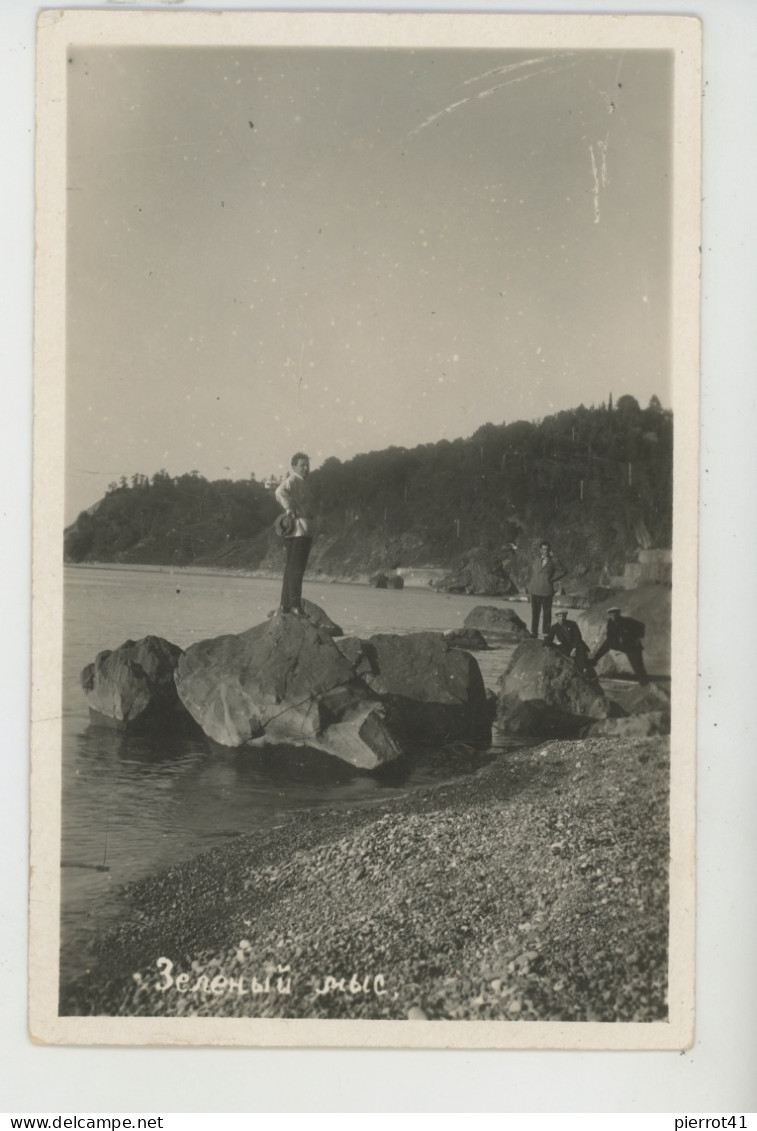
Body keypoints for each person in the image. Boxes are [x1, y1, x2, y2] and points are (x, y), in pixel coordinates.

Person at [275, 452, 314, 616]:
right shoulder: (294, 480)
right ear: (294, 467)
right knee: (296, 569)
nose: (306, 468)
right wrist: (290, 508)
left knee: (291, 568)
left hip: (301, 530)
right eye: (302, 465)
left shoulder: (303, 482)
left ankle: (285, 605)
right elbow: (279, 492)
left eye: (307, 465)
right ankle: (295, 605)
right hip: (298, 531)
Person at [589, 606, 649, 684]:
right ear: (609, 615)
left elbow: (641, 626)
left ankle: (643, 681)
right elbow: (609, 635)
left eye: (615, 614)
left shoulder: (626, 621)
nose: (613, 616)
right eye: (611, 614)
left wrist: (637, 638)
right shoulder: (610, 622)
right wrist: (612, 640)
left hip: (631, 646)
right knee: (606, 643)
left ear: (618, 614)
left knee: (637, 664)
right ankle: (594, 660)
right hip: (618, 644)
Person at [528, 540, 566, 637]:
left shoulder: (553, 561)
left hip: (547, 590)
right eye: (544, 549)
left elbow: (564, 571)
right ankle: (534, 632)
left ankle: (546, 633)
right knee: (535, 613)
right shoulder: (535, 559)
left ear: (550, 550)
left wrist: (553, 579)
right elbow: (525, 555)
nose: (545, 551)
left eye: (547, 549)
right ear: (540, 550)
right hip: (535, 590)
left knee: (547, 614)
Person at [544, 609, 594, 678]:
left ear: (566, 616)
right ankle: (576, 671)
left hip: (576, 644)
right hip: (565, 646)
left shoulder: (572, 624)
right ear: (556, 617)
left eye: (563, 616)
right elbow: (549, 638)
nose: (562, 618)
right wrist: (545, 643)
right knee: (560, 650)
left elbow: (578, 637)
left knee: (580, 651)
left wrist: (574, 648)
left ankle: (585, 670)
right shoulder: (554, 627)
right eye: (559, 616)